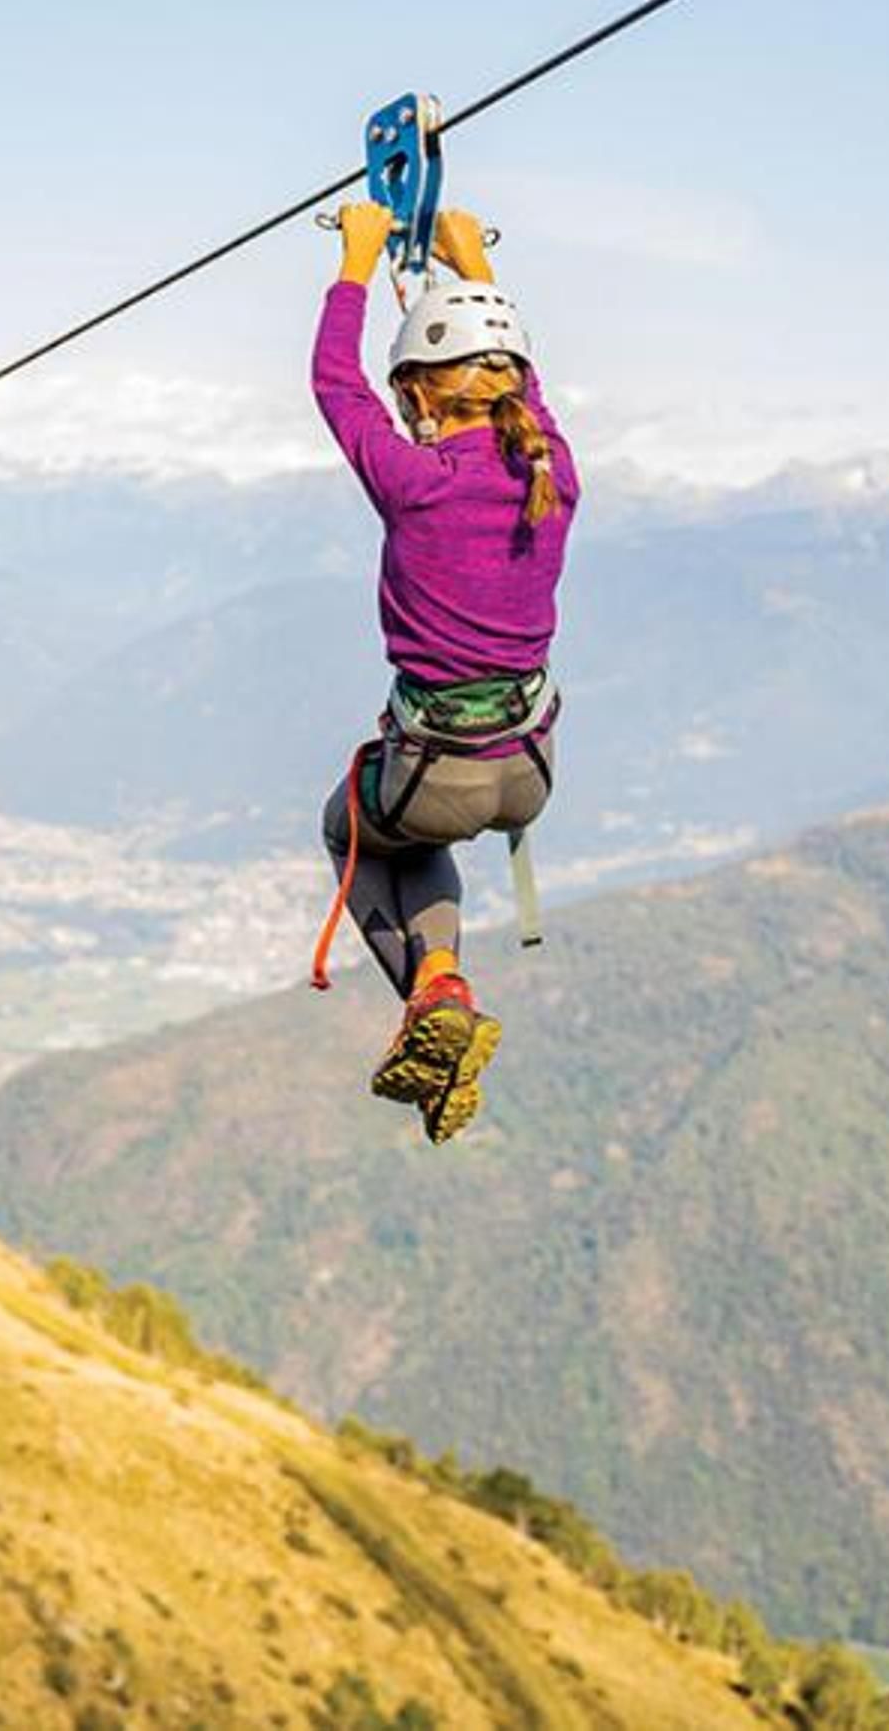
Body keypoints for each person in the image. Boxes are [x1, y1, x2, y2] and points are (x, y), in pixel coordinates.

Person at [309, 200, 579, 1145]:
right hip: (528, 771)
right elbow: (526, 393)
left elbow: (335, 386)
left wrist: (355, 264)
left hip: (434, 772)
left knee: (355, 827)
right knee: (424, 835)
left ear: (419, 397)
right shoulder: (555, 472)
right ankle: (440, 988)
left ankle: (436, 995)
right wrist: (473, 270)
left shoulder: (414, 480)